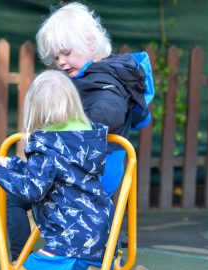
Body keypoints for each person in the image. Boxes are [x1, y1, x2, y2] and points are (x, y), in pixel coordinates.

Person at [0, 70, 126, 270]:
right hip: (103, 244)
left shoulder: (47, 146)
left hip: (68, 247)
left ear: (36, 112)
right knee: (83, 268)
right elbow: (52, 174)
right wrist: (12, 164)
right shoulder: (88, 142)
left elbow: (31, 189)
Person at [36, 1, 154, 249]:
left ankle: (96, 266)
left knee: (32, 191)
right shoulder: (81, 78)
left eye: (66, 52)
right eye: (56, 56)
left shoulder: (106, 78)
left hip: (98, 165)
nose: (61, 61)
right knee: (21, 192)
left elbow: (109, 112)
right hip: (80, 161)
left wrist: (71, 127)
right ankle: (20, 261)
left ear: (90, 43)